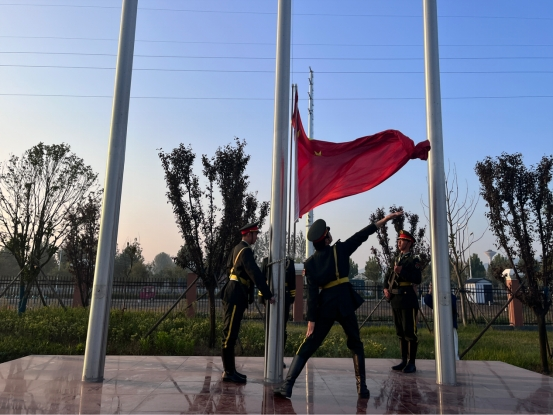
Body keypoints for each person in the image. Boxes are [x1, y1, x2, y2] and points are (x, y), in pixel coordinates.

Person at [274, 211, 403, 399]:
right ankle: (362, 387)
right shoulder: (339, 250)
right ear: (326, 238)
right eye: (328, 233)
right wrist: (384, 220)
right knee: (355, 343)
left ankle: (287, 386)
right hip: (344, 301)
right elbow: (361, 236)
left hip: (326, 304)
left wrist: (311, 320)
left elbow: (312, 294)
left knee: (309, 344)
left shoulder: (310, 263)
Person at [220, 222, 275, 383]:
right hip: (235, 294)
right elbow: (255, 273)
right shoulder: (245, 251)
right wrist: (268, 294)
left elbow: (229, 268)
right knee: (229, 334)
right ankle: (228, 372)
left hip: (234, 292)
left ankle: (231, 370)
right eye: (255, 234)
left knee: (231, 333)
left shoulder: (237, 248)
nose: (256, 237)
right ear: (248, 234)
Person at [384, 229, 422, 374]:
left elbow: (417, 278)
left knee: (409, 332)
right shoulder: (396, 259)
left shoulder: (414, 260)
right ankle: (403, 360)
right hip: (396, 299)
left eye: (402, 240)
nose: (399, 242)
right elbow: (388, 275)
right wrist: (385, 288)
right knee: (400, 331)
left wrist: (402, 272)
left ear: (409, 242)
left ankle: (412, 363)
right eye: (398, 240)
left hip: (407, 299)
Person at [259, 256, 296, 367]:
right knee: (269, 328)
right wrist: (262, 298)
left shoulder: (289, 262)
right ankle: (269, 357)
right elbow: (262, 279)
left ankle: (279, 357)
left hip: (284, 297)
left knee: (282, 329)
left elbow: (292, 282)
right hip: (269, 296)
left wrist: (291, 299)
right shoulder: (266, 261)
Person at [423, 283, 459, 360]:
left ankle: (455, 361)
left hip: (450, 326)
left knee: (453, 348)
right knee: (442, 348)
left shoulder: (449, 297)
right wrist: (430, 291)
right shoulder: (437, 298)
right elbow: (427, 300)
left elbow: (451, 303)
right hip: (440, 326)